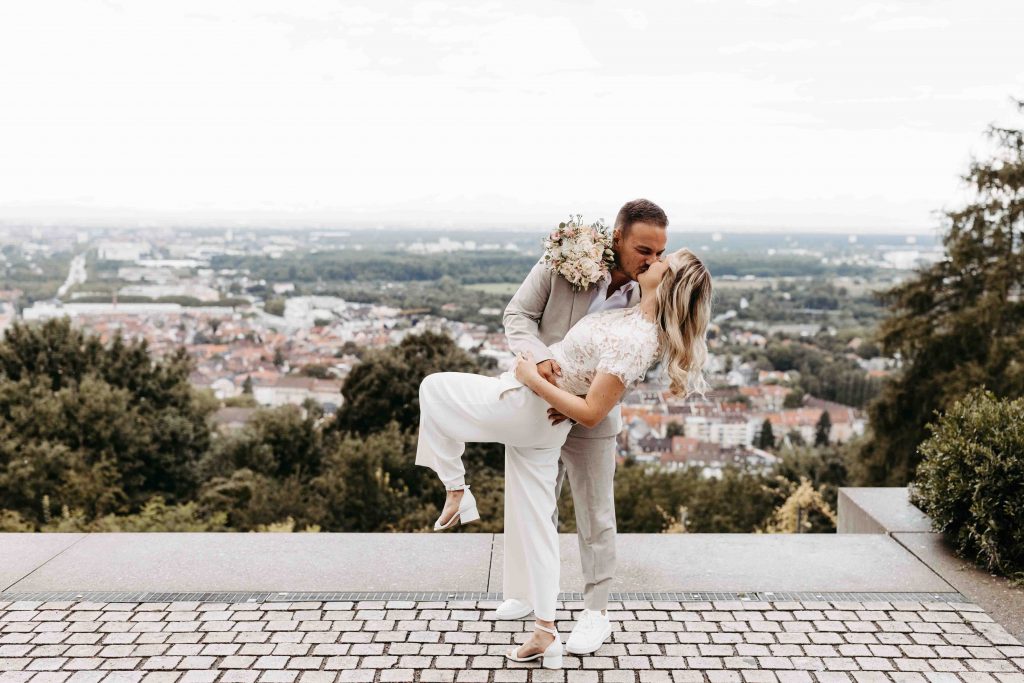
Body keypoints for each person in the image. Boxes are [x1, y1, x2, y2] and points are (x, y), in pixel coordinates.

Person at [415, 247, 712, 669]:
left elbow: (592, 411)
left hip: (528, 402)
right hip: (546, 424)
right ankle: (545, 631)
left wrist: (530, 377)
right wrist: (554, 383)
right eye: (651, 253)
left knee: (433, 387)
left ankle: (456, 487)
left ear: (669, 284)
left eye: (664, 260)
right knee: (537, 520)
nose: (653, 261)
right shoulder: (633, 318)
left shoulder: (635, 337)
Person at [502, 198, 670, 655]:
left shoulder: (651, 293)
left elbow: (635, 363)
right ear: (617, 237)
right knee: (535, 504)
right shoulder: (564, 256)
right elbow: (516, 316)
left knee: (596, 515)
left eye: (659, 253)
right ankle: (535, 595)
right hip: (539, 401)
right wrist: (538, 360)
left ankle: (596, 612)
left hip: (593, 418)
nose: (651, 261)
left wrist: (581, 402)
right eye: (643, 250)